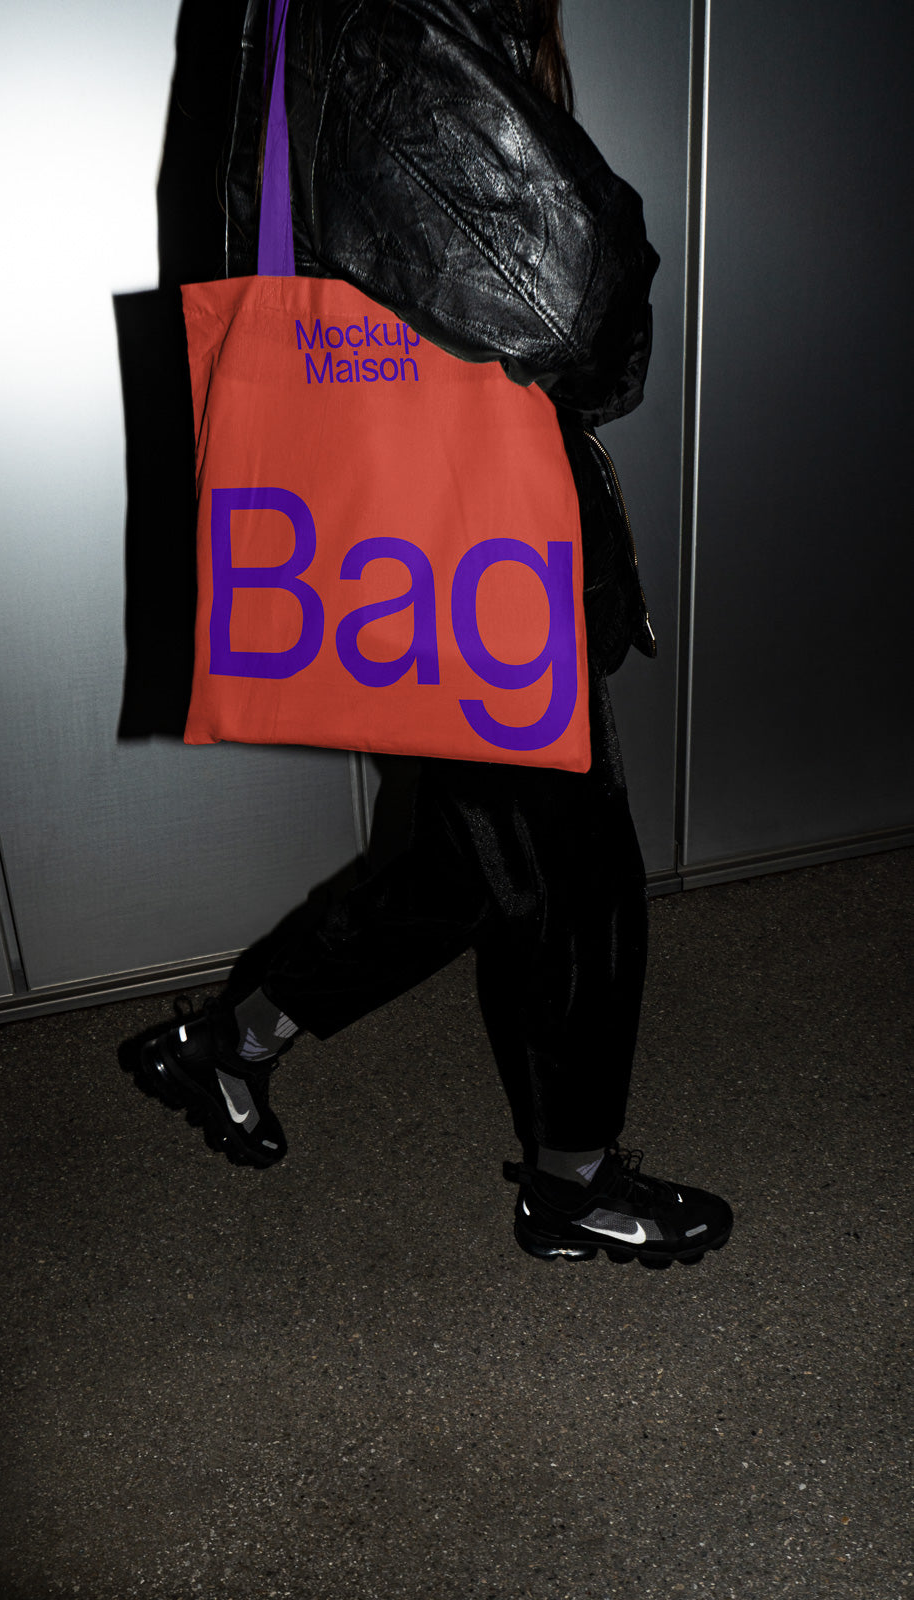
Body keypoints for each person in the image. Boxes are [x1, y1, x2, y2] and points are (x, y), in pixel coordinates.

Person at [131, 0, 733, 1268]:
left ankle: (225, 1041)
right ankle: (569, 1183)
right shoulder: (384, 11)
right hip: (457, 543)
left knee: (476, 857)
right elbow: (576, 305)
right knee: (570, 866)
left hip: (401, 532)